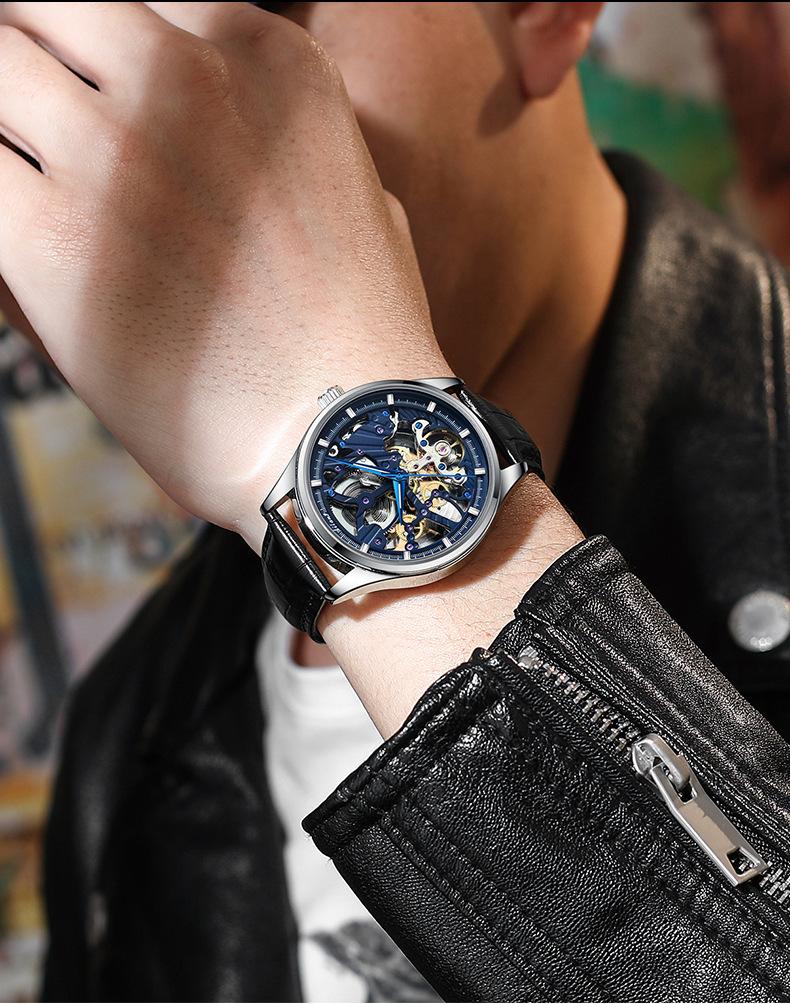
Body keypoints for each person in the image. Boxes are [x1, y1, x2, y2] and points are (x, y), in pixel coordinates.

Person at [0, 1, 787, 1000]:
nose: (119, 159)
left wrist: (326, 427)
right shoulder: (126, 739)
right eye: (39, 77)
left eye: (237, 25)